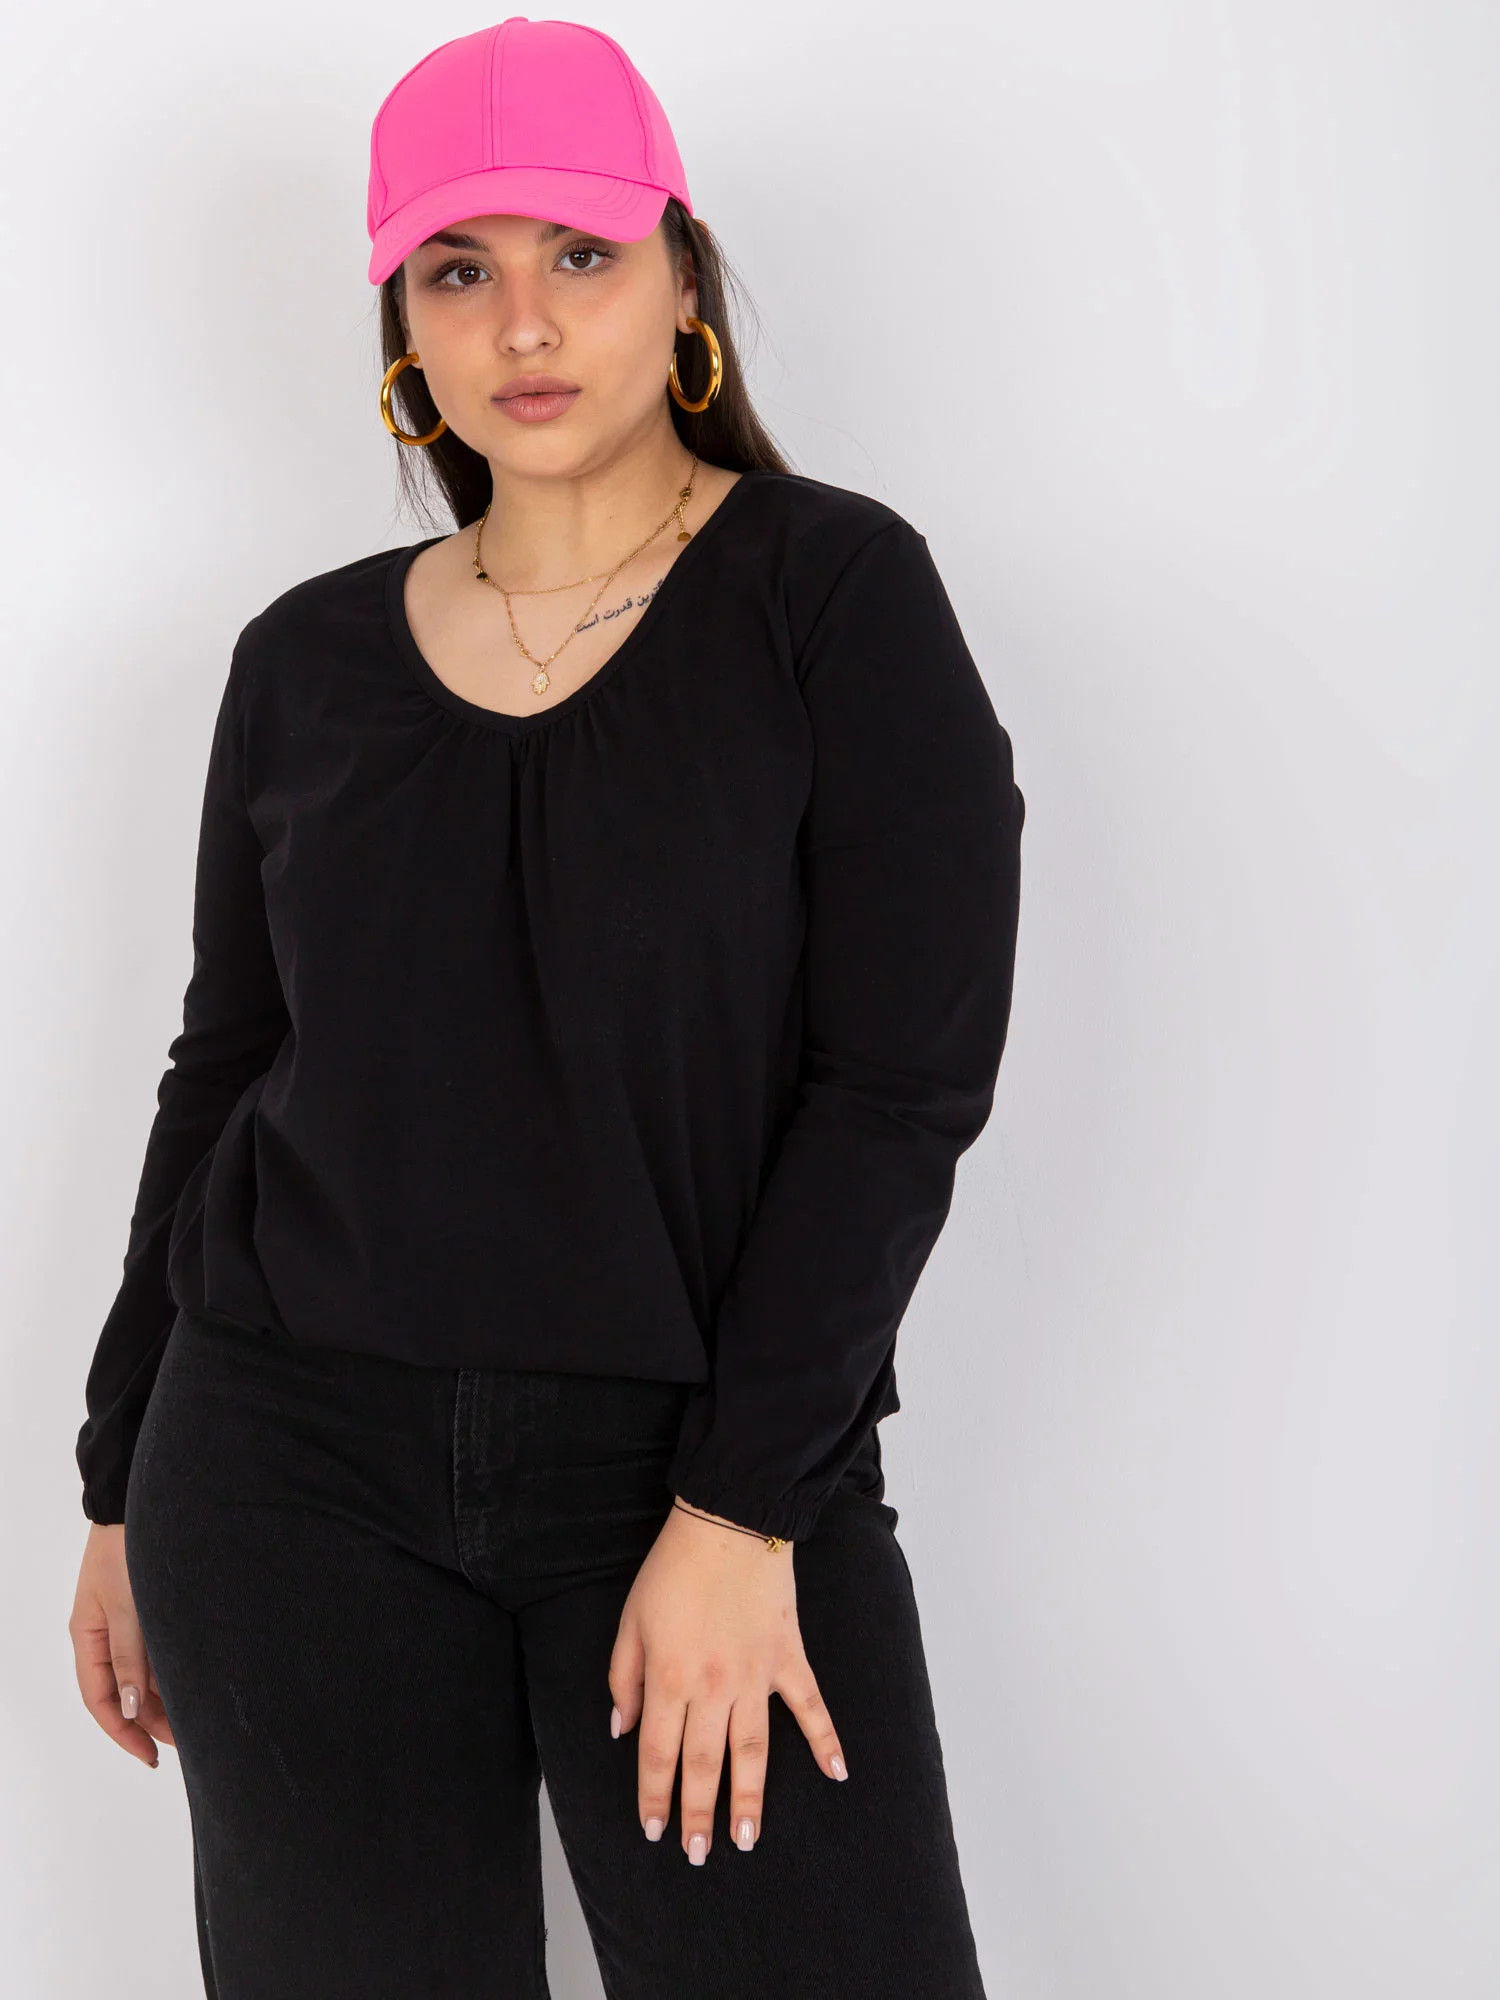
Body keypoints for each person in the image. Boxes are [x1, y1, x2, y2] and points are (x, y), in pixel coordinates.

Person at [68, 17, 1024, 1998]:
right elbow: (226, 1067)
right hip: (284, 1472)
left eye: (581, 254)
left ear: (682, 283)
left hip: (701, 1457)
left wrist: (738, 1506)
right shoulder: (303, 660)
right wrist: (114, 1478)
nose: (524, 321)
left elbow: (899, 1084)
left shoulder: (832, 596)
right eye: (457, 269)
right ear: (401, 329)